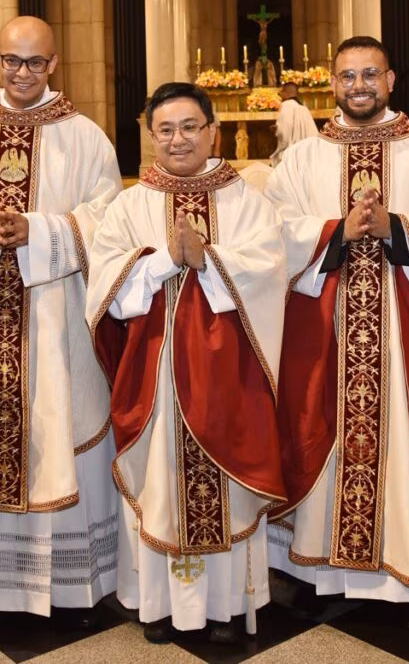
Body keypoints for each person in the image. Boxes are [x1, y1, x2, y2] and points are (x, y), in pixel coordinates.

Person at [264, 35, 409, 629]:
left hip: (406, 331)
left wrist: (398, 229)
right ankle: (316, 569)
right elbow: (272, 231)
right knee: (318, 432)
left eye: (369, 75)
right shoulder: (301, 159)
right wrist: (333, 232)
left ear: (390, 81)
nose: (357, 86)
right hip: (325, 331)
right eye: (346, 76)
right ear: (332, 84)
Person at [0, 16, 121, 625]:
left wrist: (40, 231)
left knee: (62, 429)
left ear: (54, 64)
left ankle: (73, 590)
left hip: (57, 319)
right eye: (12, 61)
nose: (22, 73)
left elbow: (109, 216)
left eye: (35, 63)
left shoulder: (87, 137)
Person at [85, 82, 287, 644]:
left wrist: (210, 261)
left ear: (212, 131)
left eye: (190, 127)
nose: (178, 140)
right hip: (153, 374)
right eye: (166, 130)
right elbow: (103, 284)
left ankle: (224, 603)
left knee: (225, 482)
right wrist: (160, 264)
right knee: (159, 479)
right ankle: (159, 605)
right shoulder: (130, 203)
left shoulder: (247, 198)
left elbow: (270, 272)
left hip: (229, 377)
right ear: (150, 136)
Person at [270, 82, 317, 166]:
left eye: (281, 92)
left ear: (285, 93)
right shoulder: (303, 108)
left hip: (293, 155)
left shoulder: (286, 105)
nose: (280, 95)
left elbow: (285, 132)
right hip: (307, 154)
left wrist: (277, 130)